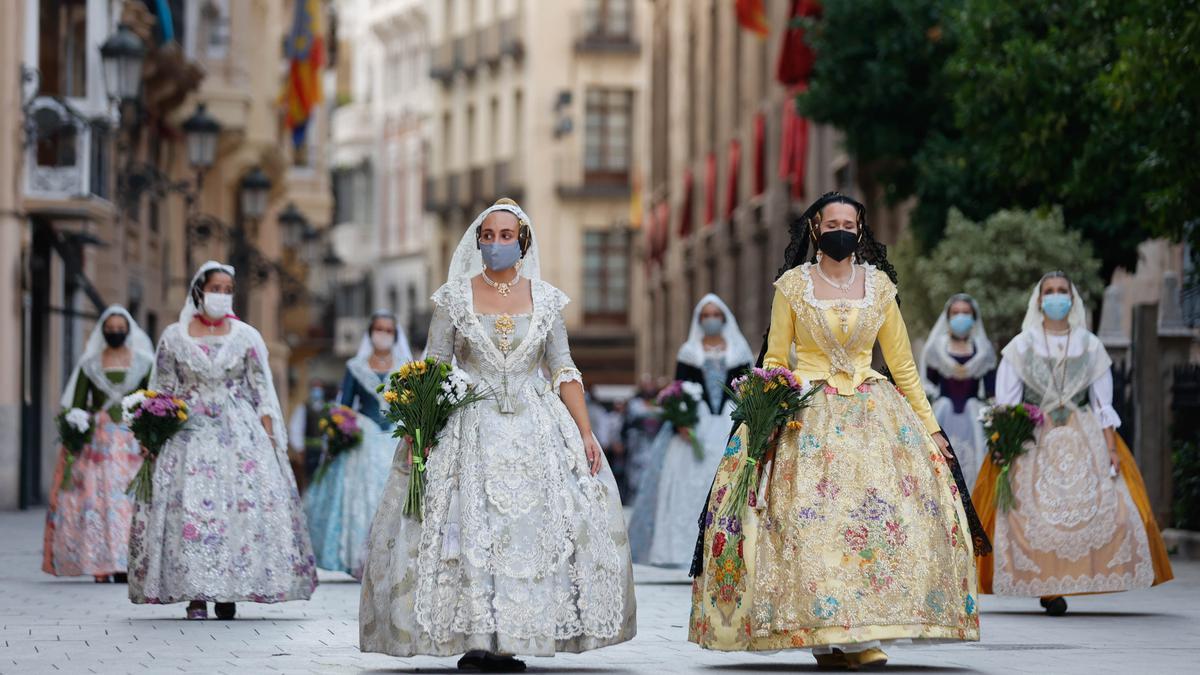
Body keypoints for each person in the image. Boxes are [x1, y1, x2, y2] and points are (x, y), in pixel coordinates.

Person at [688, 193, 986, 668]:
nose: (841, 230)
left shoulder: (881, 288)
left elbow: (904, 366)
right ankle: (824, 633)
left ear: (861, 231)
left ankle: (862, 634)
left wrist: (930, 429)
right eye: (832, 223)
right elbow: (775, 359)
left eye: (849, 223)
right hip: (807, 413)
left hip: (874, 416)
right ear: (815, 231)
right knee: (810, 526)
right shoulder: (792, 286)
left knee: (870, 523)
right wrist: (767, 416)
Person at [359, 199, 636, 670]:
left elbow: (562, 368)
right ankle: (477, 636)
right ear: (478, 241)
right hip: (469, 427)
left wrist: (586, 432)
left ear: (522, 242)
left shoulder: (546, 299)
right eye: (488, 235)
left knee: (531, 528)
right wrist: (421, 427)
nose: (495, 243)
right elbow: (436, 366)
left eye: (506, 236)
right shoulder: (453, 298)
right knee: (469, 525)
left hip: (536, 425)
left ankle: (515, 634)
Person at [973, 271, 1173, 615]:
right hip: (1033, 435)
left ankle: (1070, 579)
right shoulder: (1022, 346)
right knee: (1028, 514)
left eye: (1061, 291)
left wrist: (1111, 448)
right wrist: (1009, 442)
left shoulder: (1090, 345)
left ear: (1072, 298)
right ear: (1039, 301)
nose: (1055, 297)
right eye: (1049, 291)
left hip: (1083, 434)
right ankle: (1048, 586)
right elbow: (1007, 401)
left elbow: (1102, 404)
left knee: (1109, 510)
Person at [128, 261, 317, 620]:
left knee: (237, 509)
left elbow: (260, 387)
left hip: (238, 435)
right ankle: (196, 595)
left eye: (228, 289)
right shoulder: (173, 336)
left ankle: (228, 589)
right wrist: (152, 432)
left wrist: (270, 438)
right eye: (215, 288)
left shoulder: (246, 337)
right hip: (188, 433)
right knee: (192, 511)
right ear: (199, 291)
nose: (221, 295)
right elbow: (163, 388)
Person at [628, 294, 753, 567]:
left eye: (715, 315)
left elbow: (747, 388)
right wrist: (681, 420)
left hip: (728, 426)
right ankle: (681, 550)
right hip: (694, 428)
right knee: (687, 485)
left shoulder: (739, 352)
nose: (711, 320)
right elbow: (679, 389)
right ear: (699, 320)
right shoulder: (689, 352)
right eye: (705, 315)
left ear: (724, 319)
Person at [42, 305, 153, 582]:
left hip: (131, 439)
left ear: (128, 331)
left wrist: (151, 435)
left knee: (128, 500)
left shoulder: (143, 363)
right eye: (110, 329)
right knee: (98, 499)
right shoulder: (90, 364)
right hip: (99, 441)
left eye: (120, 328)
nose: (115, 332)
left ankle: (128, 561)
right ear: (103, 331)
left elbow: (151, 400)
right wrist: (76, 428)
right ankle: (102, 560)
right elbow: (77, 404)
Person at [304, 310, 412, 578]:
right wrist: (343, 427)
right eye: (379, 329)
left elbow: (411, 402)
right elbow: (344, 404)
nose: (383, 335)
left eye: (389, 330)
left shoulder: (406, 367)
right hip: (364, 438)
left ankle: (393, 554)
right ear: (370, 333)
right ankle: (360, 558)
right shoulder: (356, 367)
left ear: (395, 335)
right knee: (362, 497)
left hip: (396, 436)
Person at [920, 294, 997, 489]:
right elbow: (927, 384)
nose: (960, 316)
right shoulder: (936, 349)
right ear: (948, 317)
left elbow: (991, 391)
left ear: (973, 317)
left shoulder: (983, 350)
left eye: (965, 312)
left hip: (974, 417)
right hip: (942, 415)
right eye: (955, 313)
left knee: (975, 464)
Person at [289, 379, 329, 493]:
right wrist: (299, 448)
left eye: (319, 388)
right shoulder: (304, 407)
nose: (317, 391)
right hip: (308, 450)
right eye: (315, 388)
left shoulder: (327, 409)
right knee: (308, 478)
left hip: (323, 450)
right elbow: (295, 428)